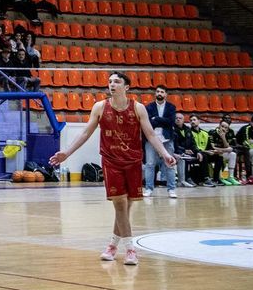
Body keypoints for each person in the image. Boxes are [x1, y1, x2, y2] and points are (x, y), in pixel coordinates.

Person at [51, 72, 176, 265]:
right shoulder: (100, 107)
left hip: (133, 161)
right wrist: (66, 153)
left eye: (116, 81)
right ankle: (131, 249)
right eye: (110, 81)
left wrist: (165, 154)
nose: (112, 84)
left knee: (125, 209)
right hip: (111, 161)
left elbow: (150, 134)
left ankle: (112, 245)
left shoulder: (139, 108)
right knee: (119, 206)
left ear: (126, 87)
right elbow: (85, 133)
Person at [143, 85, 178, 198]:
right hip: (152, 139)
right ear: (155, 94)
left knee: (170, 164)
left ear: (165, 94)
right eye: (157, 91)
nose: (159, 93)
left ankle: (171, 189)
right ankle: (148, 188)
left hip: (167, 139)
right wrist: (162, 121)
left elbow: (171, 122)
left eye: (162, 92)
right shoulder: (149, 107)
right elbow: (148, 123)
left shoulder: (171, 107)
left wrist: (156, 119)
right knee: (150, 164)